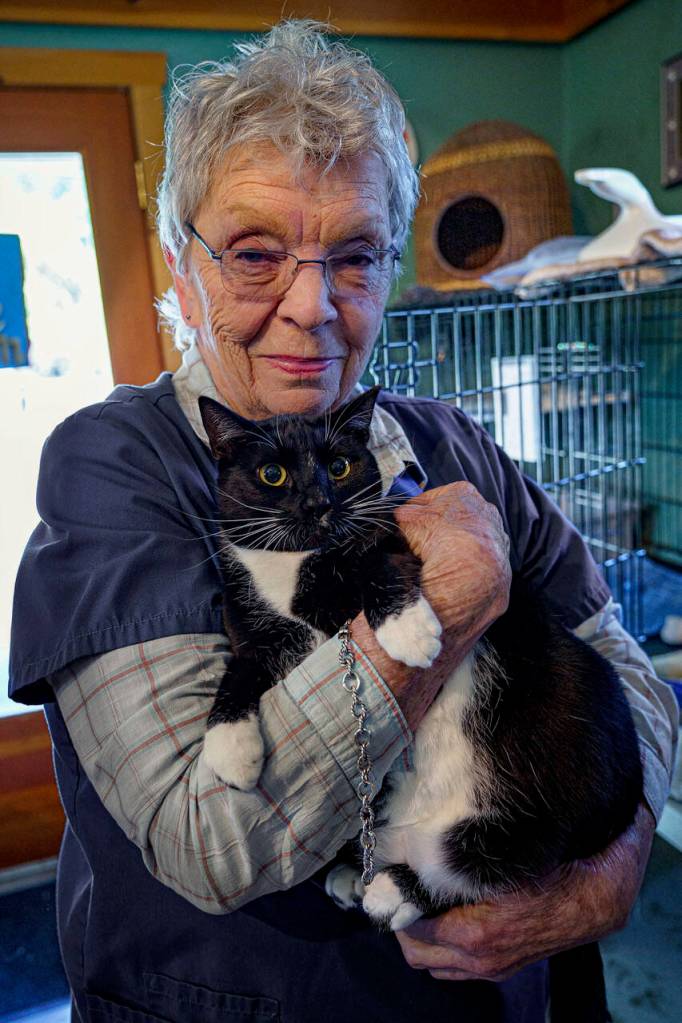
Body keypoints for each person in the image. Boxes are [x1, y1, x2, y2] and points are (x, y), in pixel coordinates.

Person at [9, 20, 677, 1023]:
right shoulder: (114, 469)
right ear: (178, 266)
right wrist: (444, 610)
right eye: (252, 253)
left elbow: (630, 678)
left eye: (355, 256)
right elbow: (210, 842)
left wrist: (608, 871)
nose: (312, 305)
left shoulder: (455, 445)